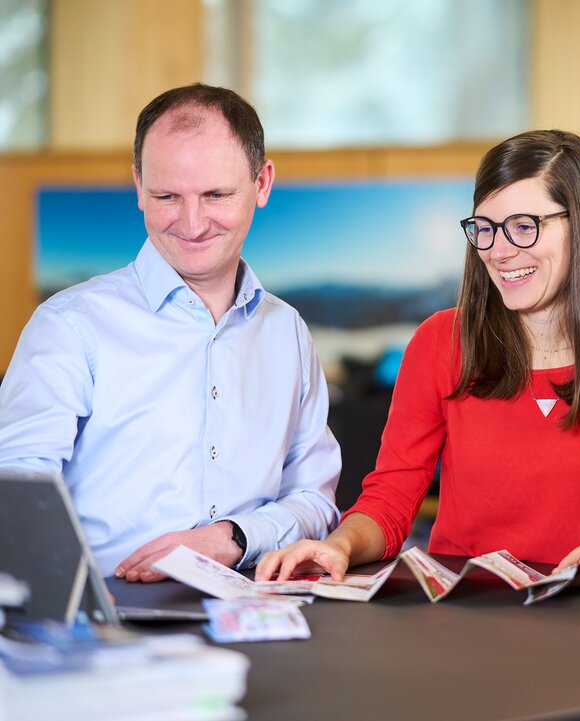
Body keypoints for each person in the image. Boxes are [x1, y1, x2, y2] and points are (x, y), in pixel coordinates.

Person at [257, 129, 580, 588]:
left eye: (525, 226)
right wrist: (339, 545)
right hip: (469, 620)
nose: (499, 251)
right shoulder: (440, 343)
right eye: (485, 229)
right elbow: (389, 500)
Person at [0, 84, 341, 580]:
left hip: (258, 605)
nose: (192, 222)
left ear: (262, 183)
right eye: (166, 196)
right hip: (110, 617)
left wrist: (234, 537)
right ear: (139, 186)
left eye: (216, 194)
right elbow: (16, 491)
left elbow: (314, 499)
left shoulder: (288, 332)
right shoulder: (68, 327)